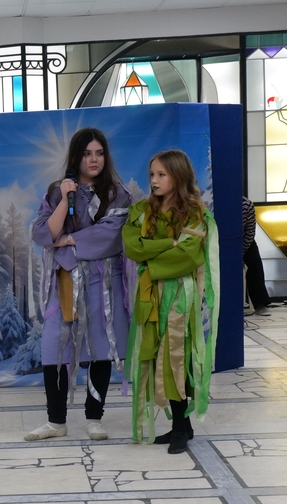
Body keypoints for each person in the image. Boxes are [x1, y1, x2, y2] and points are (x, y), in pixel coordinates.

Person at [25, 127, 132, 442]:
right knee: (55, 346)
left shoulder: (118, 194)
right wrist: (64, 200)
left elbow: (111, 234)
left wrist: (68, 240)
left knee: (101, 346)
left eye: (99, 153)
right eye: (87, 153)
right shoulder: (57, 191)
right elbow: (42, 233)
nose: (94, 159)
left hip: (103, 281)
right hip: (66, 281)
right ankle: (56, 421)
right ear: (76, 157)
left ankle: (94, 418)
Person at [123, 149, 219, 454]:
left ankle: (180, 427)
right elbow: (133, 247)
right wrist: (169, 243)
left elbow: (188, 256)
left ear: (178, 177)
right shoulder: (141, 211)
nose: (154, 180)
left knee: (175, 356)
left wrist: (152, 259)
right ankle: (183, 426)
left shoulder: (195, 214)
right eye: (152, 174)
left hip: (178, 296)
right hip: (150, 296)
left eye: (161, 174)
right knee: (156, 356)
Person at [242, 196, 270, 316]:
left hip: (244, 239)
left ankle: (260, 304)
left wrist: (241, 250)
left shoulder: (247, 204)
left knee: (255, 265)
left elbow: (250, 231)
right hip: (222, 241)